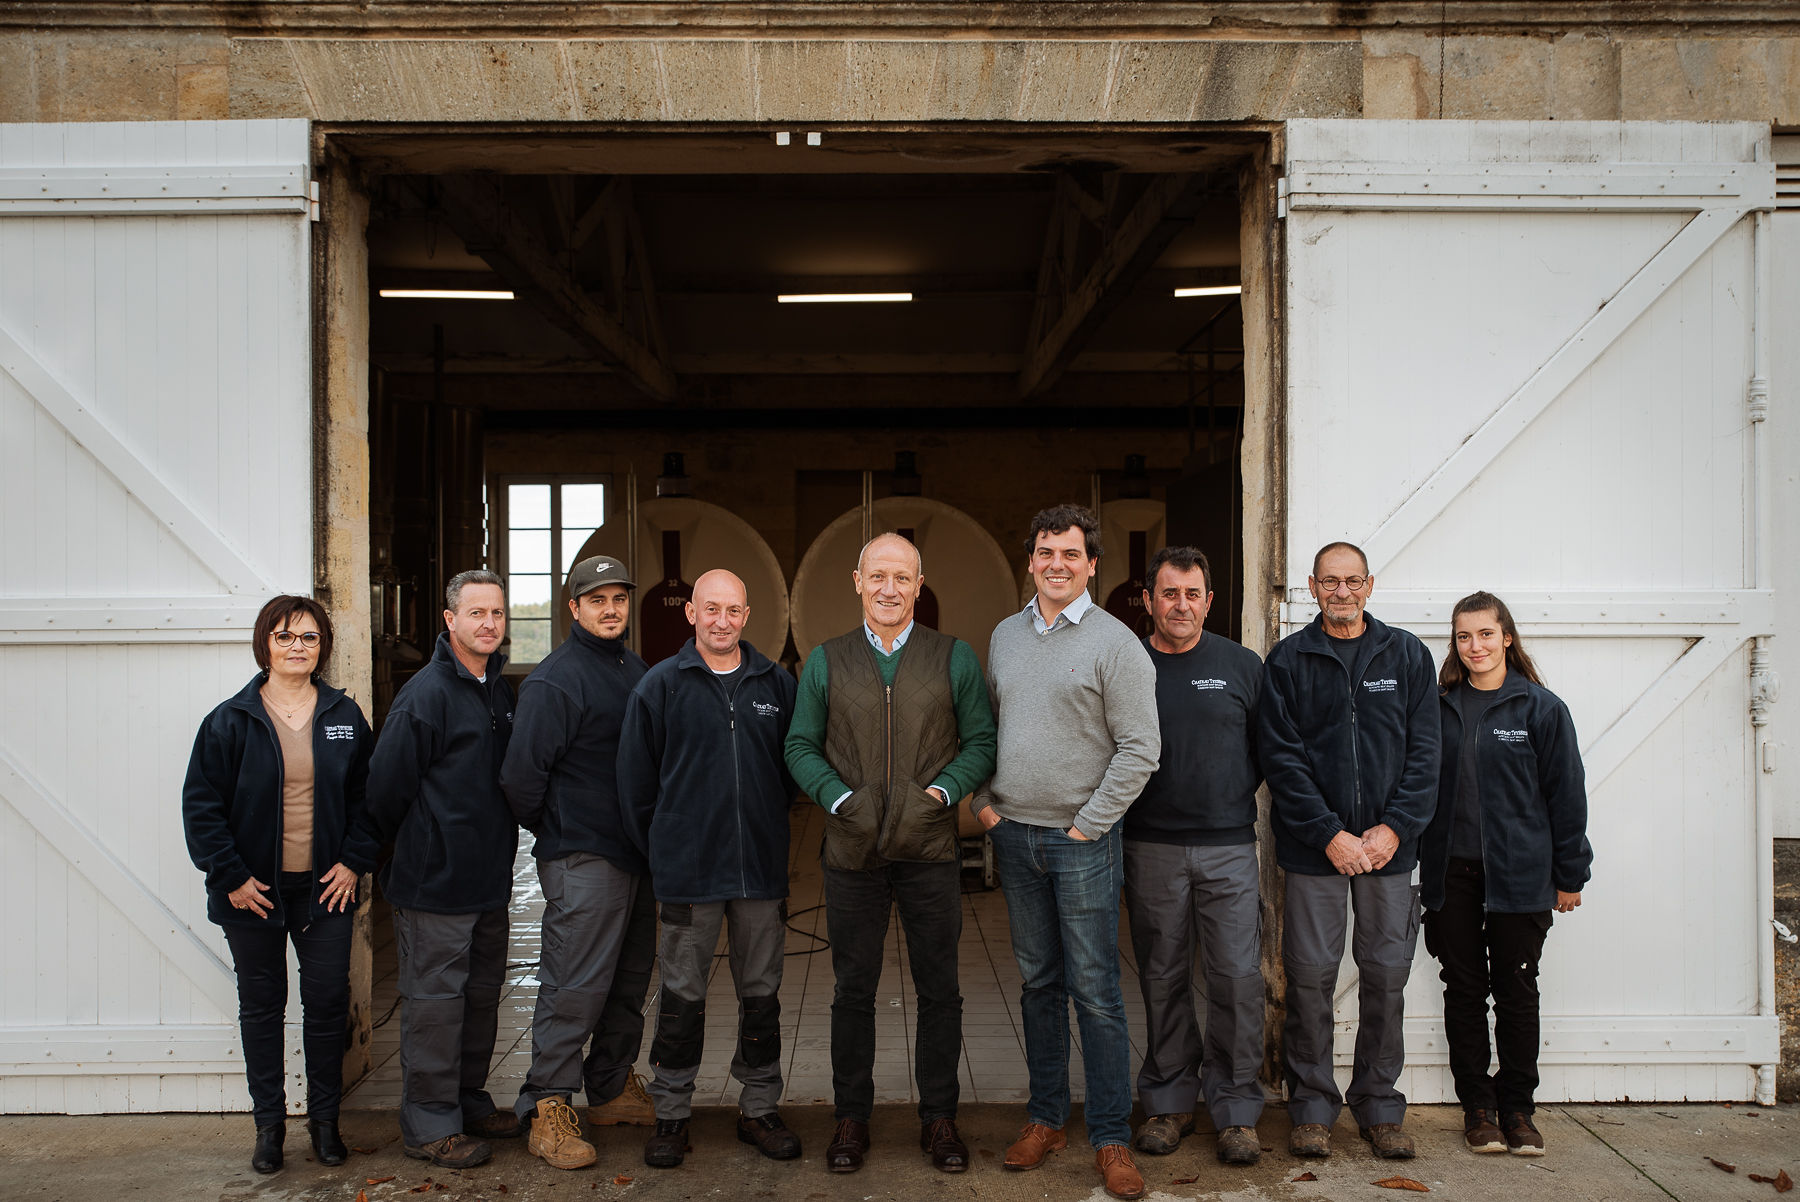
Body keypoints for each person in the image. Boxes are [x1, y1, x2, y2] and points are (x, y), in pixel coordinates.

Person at [784, 532, 997, 1175]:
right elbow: (800, 747)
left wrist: (943, 792)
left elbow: (981, 742)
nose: (889, 590)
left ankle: (939, 1120)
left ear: (918, 583)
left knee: (940, 991)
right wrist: (840, 800)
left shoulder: (952, 657)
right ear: (857, 580)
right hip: (852, 852)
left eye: (902, 578)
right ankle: (852, 1117)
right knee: (853, 991)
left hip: (929, 846)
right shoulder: (825, 660)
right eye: (878, 576)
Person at [972, 504, 1160, 1202]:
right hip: (1014, 835)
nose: (1057, 564)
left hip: (1082, 842)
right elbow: (991, 724)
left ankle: (1110, 1136)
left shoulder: (1116, 643)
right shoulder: (1005, 636)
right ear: (1031, 560)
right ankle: (1046, 1120)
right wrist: (985, 803)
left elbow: (1142, 747)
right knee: (1039, 985)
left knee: (1097, 992)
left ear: (1090, 564)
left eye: (1070, 554)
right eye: (1045, 552)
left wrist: (1089, 824)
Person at [1258, 541, 1439, 1161]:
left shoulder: (1407, 654)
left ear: (1369, 585)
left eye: (1352, 581)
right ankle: (1311, 1106)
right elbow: (1281, 761)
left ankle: (1379, 1104)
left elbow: (1426, 753)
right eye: (1329, 581)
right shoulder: (1289, 661)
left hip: (1391, 849)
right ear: (1312, 586)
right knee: (1309, 979)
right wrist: (1329, 833)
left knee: (1386, 978)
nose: (1341, 591)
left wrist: (1395, 827)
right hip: (1316, 852)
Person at [182, 595, 372, 1175]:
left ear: (323, 648)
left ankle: (324, 1124)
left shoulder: (343, 715)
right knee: (262, 1007)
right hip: (252, 894)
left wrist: (353, 861)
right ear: (266, 642)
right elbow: (202, 807)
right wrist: (232, 876)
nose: (298, 647)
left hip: (325, 892)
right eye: (286, 636)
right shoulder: (230, 719)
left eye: (309, 638)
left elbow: (370, 798)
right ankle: (269, 1128)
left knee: (326, 1003)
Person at [619, 569, 802, 1169]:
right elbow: (636, 785)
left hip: (757, 872)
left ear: (748, 616)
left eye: (734, 610)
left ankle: (759, 1108)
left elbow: (789, 775)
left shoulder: (776, 683)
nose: (722, 621)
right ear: (691, 614)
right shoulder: (660, 686)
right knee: (680, 997)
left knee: (762, 996)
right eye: (711, 609)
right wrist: (668, 847)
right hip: (688, 875)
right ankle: (671, 1114)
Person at [340, 570, 519, 1170]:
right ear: (450, 619)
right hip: (435, 882)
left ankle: (466, 1102)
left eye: (496, 613)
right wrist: (377, 854)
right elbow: (385, 789)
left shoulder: (496, 688)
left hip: (488, 879)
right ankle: (429, 1126)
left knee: (479, 999)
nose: (489, 623)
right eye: (476, 613)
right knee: (436, 1007)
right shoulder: (427, 695)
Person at [1421, 591, 1592, 1158]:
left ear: (1507, 637)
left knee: (1517, 993)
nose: (1475, 647)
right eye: (1464, 636)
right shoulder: (1439, 706)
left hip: (1519, 878)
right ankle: (1478, 1109)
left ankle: (1518, 1109)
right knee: (1464, 992)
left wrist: (1571, 874)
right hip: (1454, 876)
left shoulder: (1541, 709)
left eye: (1486, 635)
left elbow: (1567, 799)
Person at [500, 556, 648, 1170]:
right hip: (584, 855)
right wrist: (560, 828)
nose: (610, 609)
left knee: (628, 981)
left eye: (618, 598)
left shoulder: (631, 667)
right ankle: (548, 1103)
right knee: (574, 985)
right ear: (574, 608)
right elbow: (519, 779)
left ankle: (610, 1088)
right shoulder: (556, 680)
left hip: (636, 853)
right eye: (597, 599)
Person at [1122, 546, 1267, 1166]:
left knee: (1237, 978)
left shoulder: (1241, 665)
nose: (1181, 605)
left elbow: (1269, 749)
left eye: (1193, 594)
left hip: (1229, 846)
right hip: (1149, 844)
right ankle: (1170, 1101)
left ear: (1209, 600)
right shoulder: (1126, 663)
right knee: (1163, 976)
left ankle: (1235, 1109)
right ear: (1149, 600)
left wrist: (1229, 797)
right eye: (1169, 593)